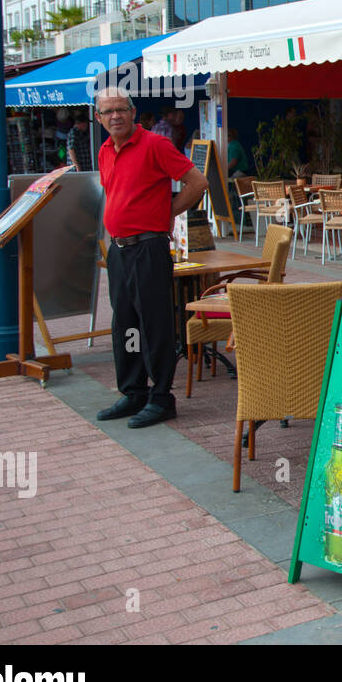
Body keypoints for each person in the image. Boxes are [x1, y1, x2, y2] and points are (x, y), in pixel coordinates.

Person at [94, 87, 208, 429]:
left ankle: (161, 397)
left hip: (148, 248)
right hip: (119, 249)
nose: (115, 116)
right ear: (99, 118)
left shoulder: (155, 145)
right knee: (126, 323)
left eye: (121, 109)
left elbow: (198, 182)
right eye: (108, 111)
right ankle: (133, 391)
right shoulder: (104, 151)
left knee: (154, 324)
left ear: (133, 112)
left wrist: (166, 213)